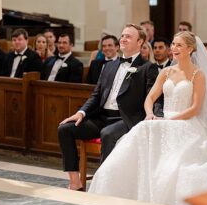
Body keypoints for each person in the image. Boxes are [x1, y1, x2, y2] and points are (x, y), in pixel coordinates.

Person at [88, 31, 207, 205]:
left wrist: (171, 120)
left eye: (179, 45)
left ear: (190, 49)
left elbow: (195, 108)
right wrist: (149, 114)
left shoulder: (198, 74)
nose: (174, 48)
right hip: (162, 120)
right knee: (141, 130)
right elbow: (150, 98)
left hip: (186, 122)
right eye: (173, 44)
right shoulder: (165, 72)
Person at [57, 24, 158, 191]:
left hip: (125, 119)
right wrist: (81, 112)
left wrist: (150, 115)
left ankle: (105, 185)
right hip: (102, 117)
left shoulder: (148, 68)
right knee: (65, 129)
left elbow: (151, 97)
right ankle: (75, 182)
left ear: (140, 42)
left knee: (107, 134)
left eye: (129, 36)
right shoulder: (109, 65)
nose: (123, 38)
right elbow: (96, 95)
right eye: (123, 35)